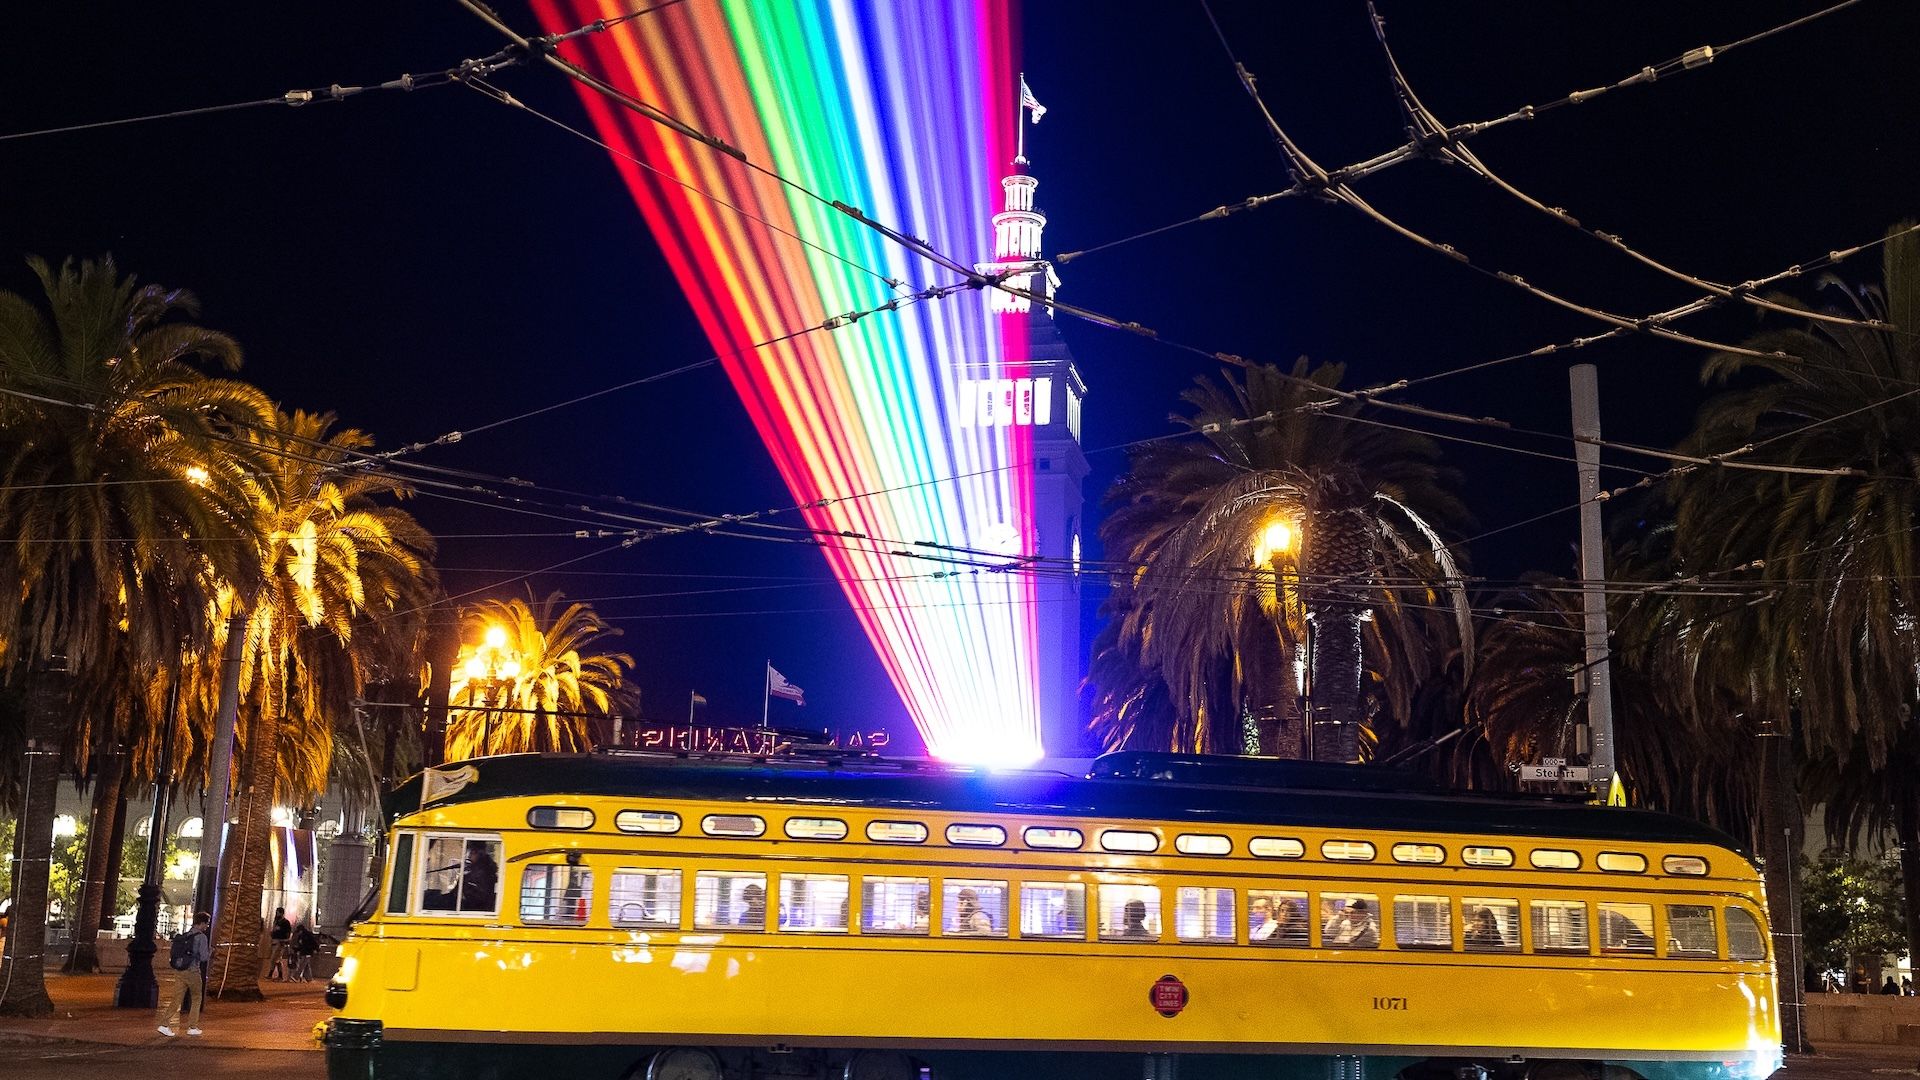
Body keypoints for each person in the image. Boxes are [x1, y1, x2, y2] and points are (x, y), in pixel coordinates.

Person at [157, 911, 211, 1038]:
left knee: (177, 998)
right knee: (197, 997)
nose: (207, 926)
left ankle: (164, 1024)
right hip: (193, 971)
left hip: (180, 970)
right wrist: (210, 952)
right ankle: (192, 1026)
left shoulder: (186, 935)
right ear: (202, 923)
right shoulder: (201, 937)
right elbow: (203, 957)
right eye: (206, 924)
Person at [458, 843, 499, 912]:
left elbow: (480, 896)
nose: (469, 856)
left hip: (477, 909)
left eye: (473, 852)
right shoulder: (474, 870)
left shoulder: (483, 872)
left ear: (480, 854)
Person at [266, 907, 292, 981]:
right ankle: (280, 975)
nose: (277, 914)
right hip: (274, 941)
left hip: (280, 942)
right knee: (277, 959)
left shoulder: (285, 922)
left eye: (278, 912)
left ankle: (271, 974)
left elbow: (287, 933)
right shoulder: (277, 921)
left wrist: (284, 940)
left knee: (274, 959)